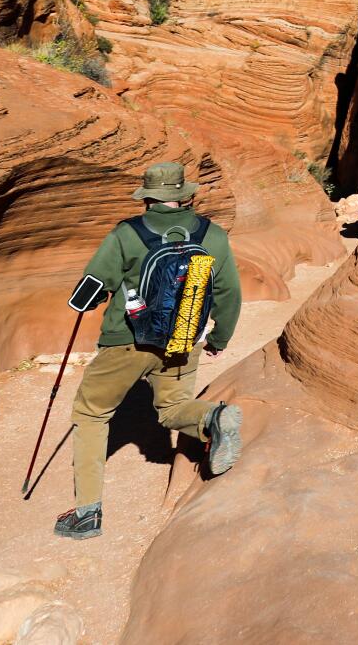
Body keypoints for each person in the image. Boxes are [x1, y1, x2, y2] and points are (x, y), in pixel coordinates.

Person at [54, 161, 244, 539]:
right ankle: (212, 420)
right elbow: (229, 294)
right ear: (184, 194)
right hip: (182, 340)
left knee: (91, 414)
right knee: (172, 409)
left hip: (127, 341)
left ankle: (88, 513)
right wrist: (219, 339)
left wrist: (81, 302)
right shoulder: (213, 235)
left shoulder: (128, 233)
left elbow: (95, 283)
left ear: (148, 196)